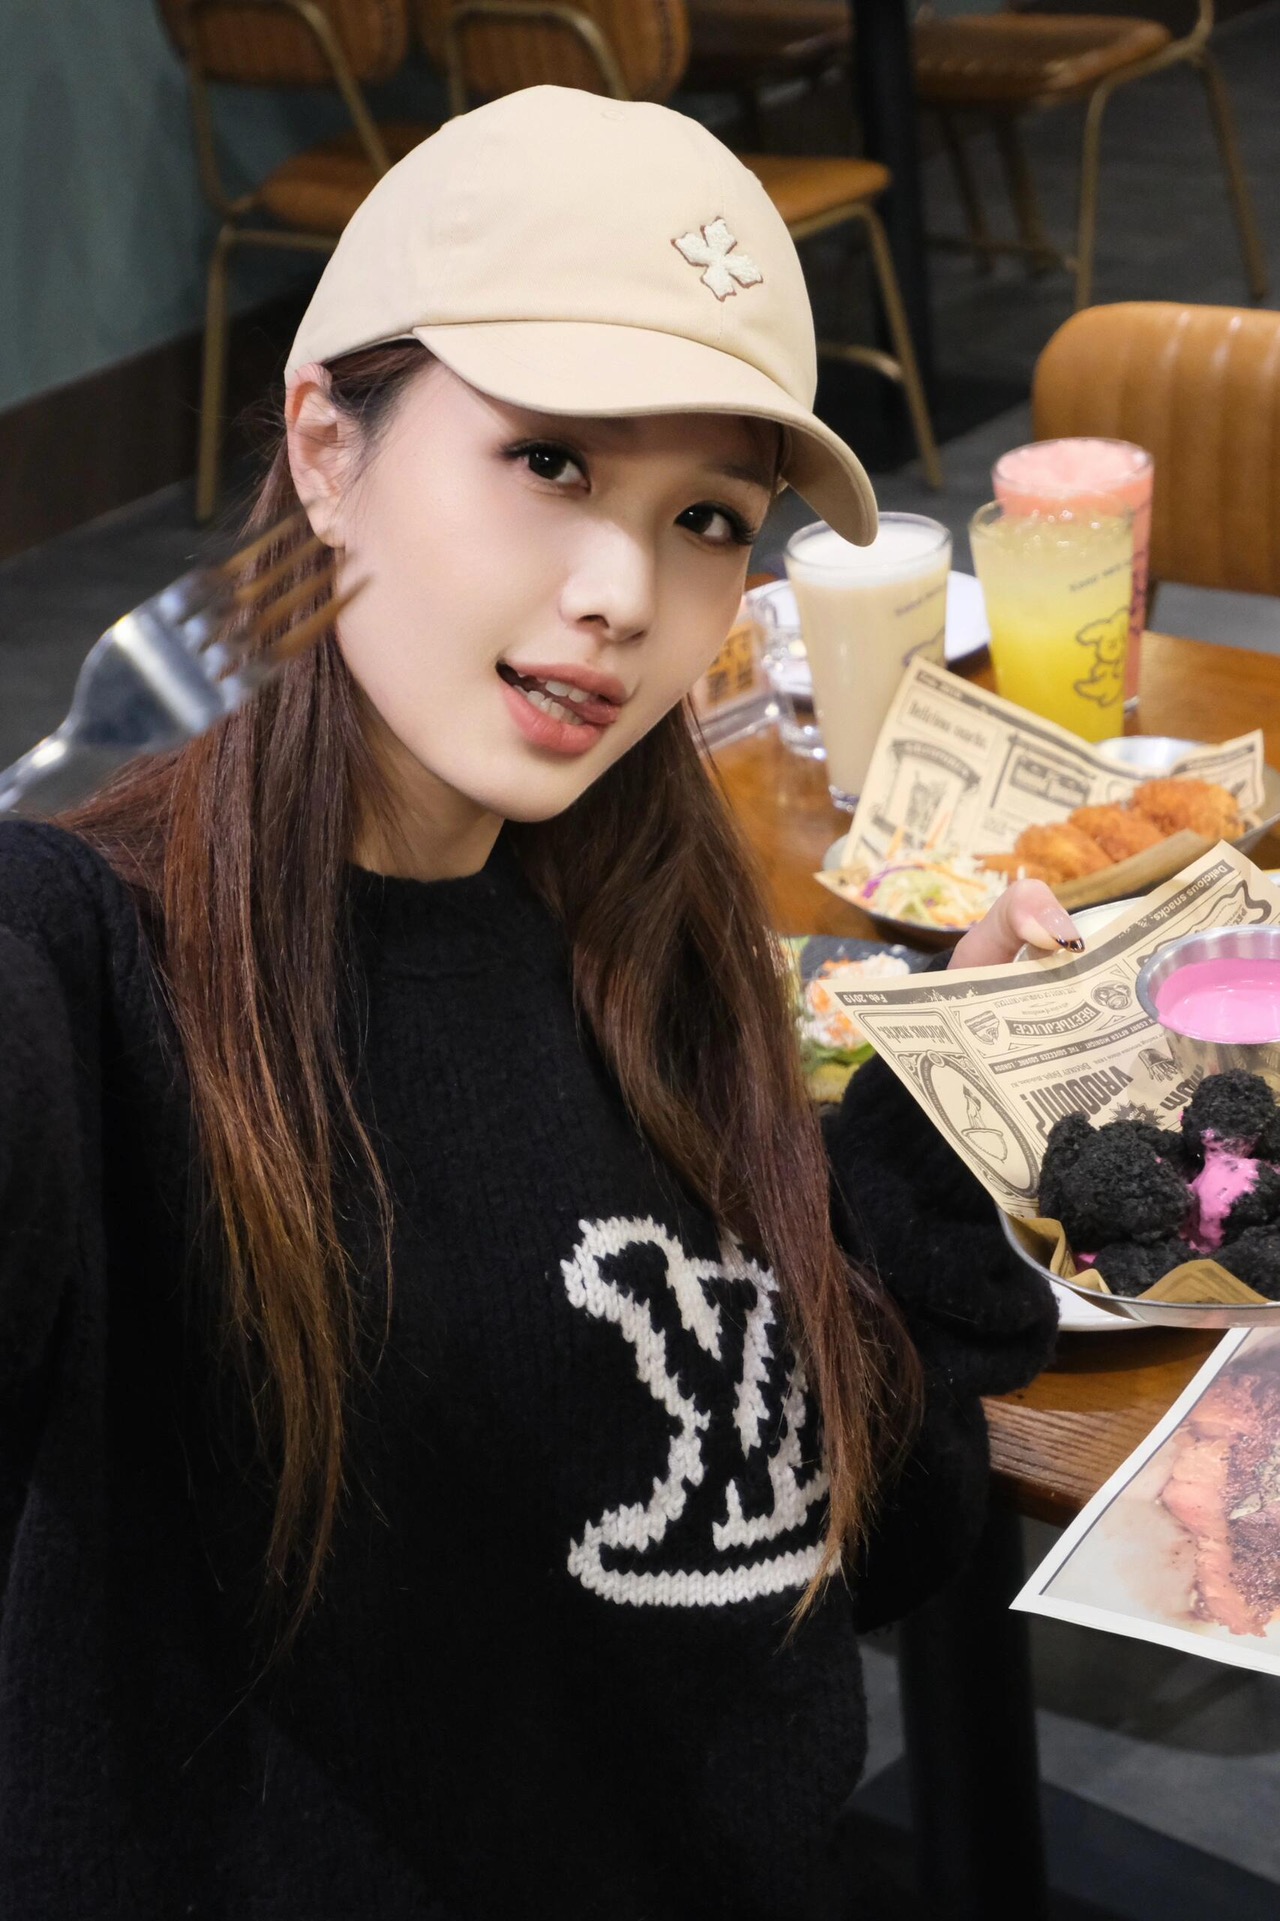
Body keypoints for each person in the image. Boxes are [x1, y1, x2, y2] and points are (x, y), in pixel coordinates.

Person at [0, 88, 1069, 1921]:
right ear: (324, 444)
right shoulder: (94, 970)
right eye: (553, 462)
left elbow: (826, 1549)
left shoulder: (645, 928)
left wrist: (933, 1127)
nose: (622, 594)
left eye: (706, 515)